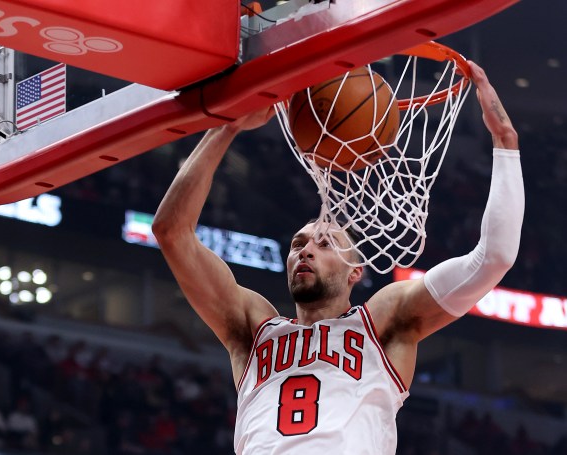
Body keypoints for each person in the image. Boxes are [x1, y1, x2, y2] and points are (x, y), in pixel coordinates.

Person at [151, 62, 524, 454]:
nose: (306, 249)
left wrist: (506, 141)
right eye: (298, 244)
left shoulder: (383, 322)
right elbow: (172, 232)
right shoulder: (252, 327)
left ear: (355, 272)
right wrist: (226, 128)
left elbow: (494, 257)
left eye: (325, 243)